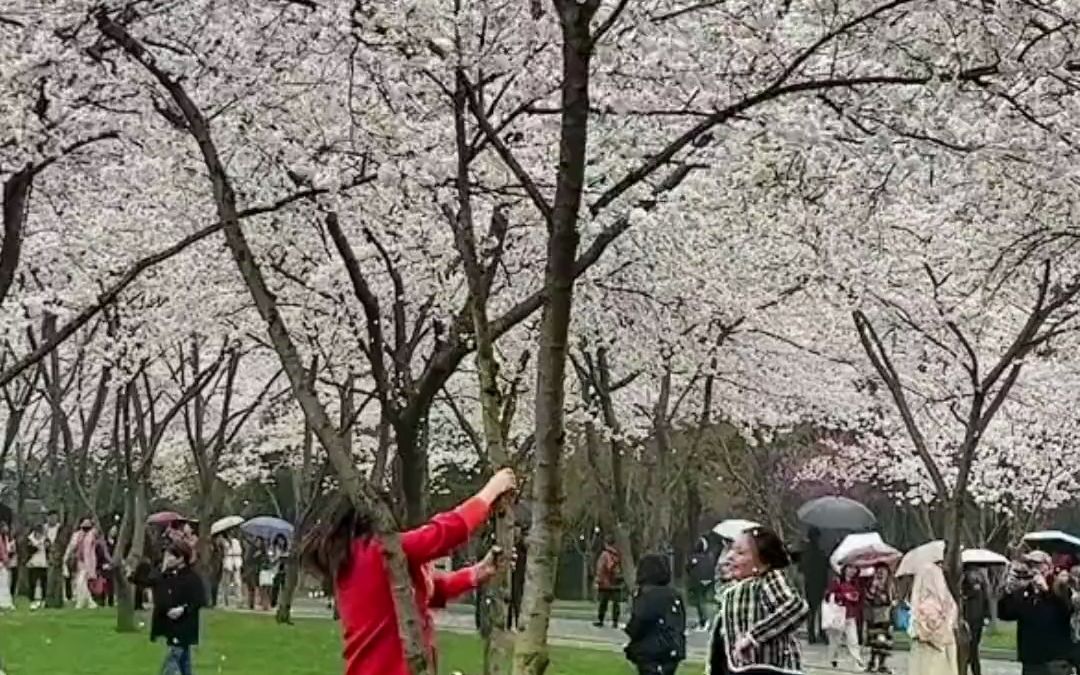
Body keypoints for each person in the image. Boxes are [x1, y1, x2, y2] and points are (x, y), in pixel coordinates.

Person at [300, 467, 516, 675]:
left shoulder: (354, 557)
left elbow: (425, 592)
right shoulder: (381, 551)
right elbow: (446, 531)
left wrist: (476, 574)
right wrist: (491, 491)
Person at [707, 526, 808, 675]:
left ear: (763, 562)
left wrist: (753, 637)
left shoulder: (768, 580)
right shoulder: (732, 591)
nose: (730, 556)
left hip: (770, 669)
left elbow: (797, 608)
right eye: (731, 550)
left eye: (740, 552)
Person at [998, 550, 1073, 675]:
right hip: (1031, 659)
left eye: (1037, 565)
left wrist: (1046, 591)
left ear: (1049, 567)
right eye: (1030, 565)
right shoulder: (1025, 591)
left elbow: (1067, 609)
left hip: (1055, 659)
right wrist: (1007, 593)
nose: (1033, 569)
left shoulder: (1059, 586)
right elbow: (1005, 614)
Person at [149, 541, 206, 675]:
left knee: (173, 658)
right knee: (183, 661)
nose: (167, 559)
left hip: (184, 625)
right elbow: (152, 582)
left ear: (181, 558)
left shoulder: (192, 578)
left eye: (171, 556)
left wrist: (183, 609)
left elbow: (199, 600)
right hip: (171, 625)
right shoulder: (167, 576)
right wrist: (162, 570)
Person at [624, 553, 686, 675]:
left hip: (651, 650)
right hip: (672, 648)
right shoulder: (674, 595)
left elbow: (640, 620)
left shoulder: (647, 594)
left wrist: (630, 630)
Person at [908, 563, 957, 675]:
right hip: (942, 646)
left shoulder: (921, 604)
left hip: (926, 649)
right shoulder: (948, 602)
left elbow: (917, 628)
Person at [826, 565, 864, 669]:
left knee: (853, 640)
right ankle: (832, 659)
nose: (852, 570)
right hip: (838, 614)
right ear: (845, 569)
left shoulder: (857, 583)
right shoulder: (837, 581)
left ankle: (858, 662)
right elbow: (829, 595)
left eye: (855, 568)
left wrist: (856, 597)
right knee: (835, 641)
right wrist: (843, 596)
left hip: (850, 615)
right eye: (850, 567)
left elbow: (860, 597)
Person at [801, 527, 829, 644]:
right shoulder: (821, 552)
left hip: (809, 583)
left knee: (811, 610)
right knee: (821, 610)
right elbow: (826, 568)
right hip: (820, 583)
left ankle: (811, 634)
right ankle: (822, 633)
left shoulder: (805, 552)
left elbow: (801, 569)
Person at [865, 564, 894, 674]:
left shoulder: (890, 584)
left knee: (885, 642)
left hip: (886, 617)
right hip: (875, 616)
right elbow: (868, 599)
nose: (881, 573)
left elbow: (893, 599)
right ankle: (872, 662)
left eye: (883, 571)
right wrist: (873, 588)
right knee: (875, 641)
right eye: (879, 571)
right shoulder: (872, 584)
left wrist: (889, 600)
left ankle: (882, 664)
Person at [65, 517, 100, 609]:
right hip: (79, 562)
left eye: (88, 524)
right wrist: (66, 557)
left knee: (81, 582)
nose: (86, 526)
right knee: (80, 583)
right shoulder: (76, 535)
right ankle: (90, 602)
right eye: (84, 524)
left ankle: (81, 603)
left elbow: (97, 534)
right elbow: (71, 547)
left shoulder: (92, 535)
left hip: (89, 563)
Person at [962, 568, 991, 675]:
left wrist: (987, 615)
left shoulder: (982, 578)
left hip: (977, 617)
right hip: (967, 616)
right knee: (970, 647)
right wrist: (971, 591)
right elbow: (962, 594)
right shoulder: (962, 577)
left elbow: (985, 598)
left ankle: (973, 668)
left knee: (974, 646)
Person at [687, 533, 717, 632]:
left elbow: (688, 568)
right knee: (705, 600)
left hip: (698, 581)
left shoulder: (693, 558)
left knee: (700, 601)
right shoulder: (708, 557)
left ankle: (704, 620)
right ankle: (706, 619)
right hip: (709, 580)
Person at [594, 538, 622, 628]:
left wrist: (598, 580)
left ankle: (600, 620)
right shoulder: (618, 554)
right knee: (616, 603)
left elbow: (601, 568)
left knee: (603, 602)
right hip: (616, 582)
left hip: (605, 582)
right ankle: (615, 621)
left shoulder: (604, 555)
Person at [508, 526, 527, 631]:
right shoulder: (508, 545)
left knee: (517, 601)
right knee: (510, 601)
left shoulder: (521, 548)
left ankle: (518, 623)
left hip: (518, 577)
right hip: (510, 576)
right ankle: (509, 624)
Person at [27, 524, 49, 609]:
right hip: (33, 564)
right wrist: (35, 547)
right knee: (32, 583)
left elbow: (48, 549)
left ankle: (43, 600)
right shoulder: (30, 539)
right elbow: (28, 551)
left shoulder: (45, 539)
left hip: (43, 564)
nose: (39, 534)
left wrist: (47, 547)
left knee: (44, 583)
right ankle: (32, 601)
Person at [269, 534, 289, 608]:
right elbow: (271, 559)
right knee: (275, 587)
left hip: (284, 570)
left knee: (284, 587)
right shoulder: (273, 548)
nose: (281, 542)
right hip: (276, 569)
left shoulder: (286, 549)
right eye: (279, 540)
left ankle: (283, 603)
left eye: (282, 540)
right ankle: (273, 602)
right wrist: (277, 558)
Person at [0, 522, 13, 610]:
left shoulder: (6, 538)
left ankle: (5, 602)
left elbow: (7, 551)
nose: (6, 529)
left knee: (5, 583)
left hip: (5, 563)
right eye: (5, 527)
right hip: (1, 562)